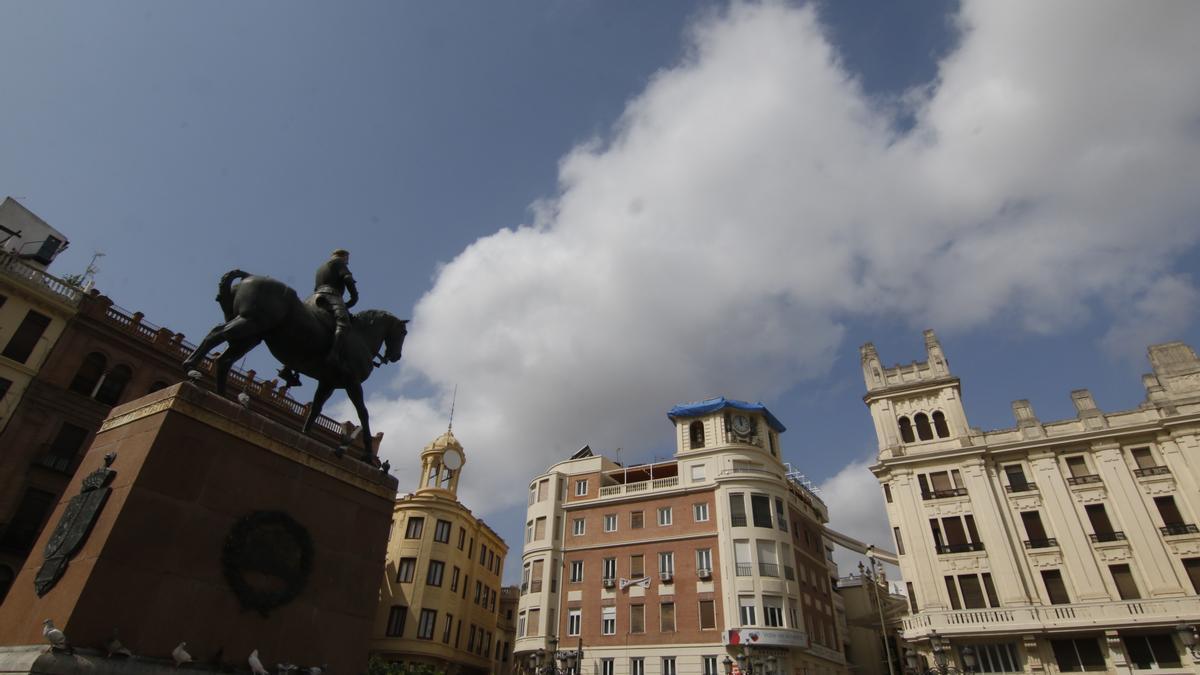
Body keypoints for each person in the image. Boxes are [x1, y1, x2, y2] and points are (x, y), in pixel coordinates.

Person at [277, 249, 358, 387]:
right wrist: (354, 296)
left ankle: (287, 368)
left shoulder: (321, 267)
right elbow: (347, 279)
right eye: (347, 258)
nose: (348, 261)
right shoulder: (338, 263)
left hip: (313, 298)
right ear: (343, 256)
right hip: (331, 296)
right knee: (344, 323)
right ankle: (334, 356)